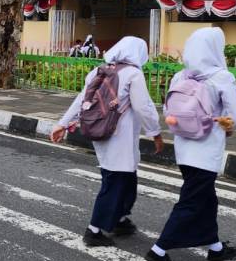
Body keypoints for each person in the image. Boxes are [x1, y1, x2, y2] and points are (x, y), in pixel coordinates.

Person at [145, 28, 236, 261]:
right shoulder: (222, 77)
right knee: (191, 202)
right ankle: (158, 250)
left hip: (183, 148)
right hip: (207, 150)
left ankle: (215, 248)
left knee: (206, 199)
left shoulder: (180, 77)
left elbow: (168, 109)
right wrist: (227, 124)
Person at [52, 37, 164, 247]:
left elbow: (81, 100)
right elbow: (143, 107)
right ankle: (94, 231)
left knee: (125, 179)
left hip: (100, 131)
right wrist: (155, 133)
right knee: (114, 183)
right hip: (119, 137)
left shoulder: (98, 71)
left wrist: (63, 124)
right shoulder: (133, 74)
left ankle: (120, 219)